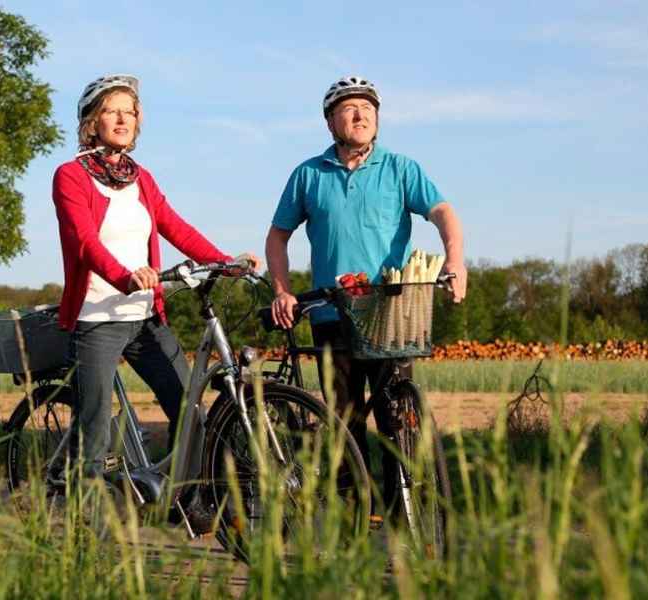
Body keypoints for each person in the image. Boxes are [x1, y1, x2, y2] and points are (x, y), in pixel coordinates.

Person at [265, 75, 467, 511]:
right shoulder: (308, 174)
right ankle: (352, 512)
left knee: (398, 419)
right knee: (343, 418)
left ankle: (403, 511)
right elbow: (278, 235)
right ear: (330, 121)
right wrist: (282, 291)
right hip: (331, 313)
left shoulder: (400, 168)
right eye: (349, 109)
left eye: (368, 110)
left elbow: (442, 212)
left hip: (392, 311)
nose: (360, 116)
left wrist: (455, 259)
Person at [53, 74, 258, 484]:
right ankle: (84, 535)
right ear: (92, 122)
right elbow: (84, 241)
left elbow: (175, 227)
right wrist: (123, 277)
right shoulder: (70, 176)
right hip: (97, 319)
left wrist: (224, 262)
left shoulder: (140, 177)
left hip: (146, 317)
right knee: (94, 434)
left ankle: (196, 496)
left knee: (188, 410)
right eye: (111, 110)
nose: (122, 118)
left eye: (129, 112)